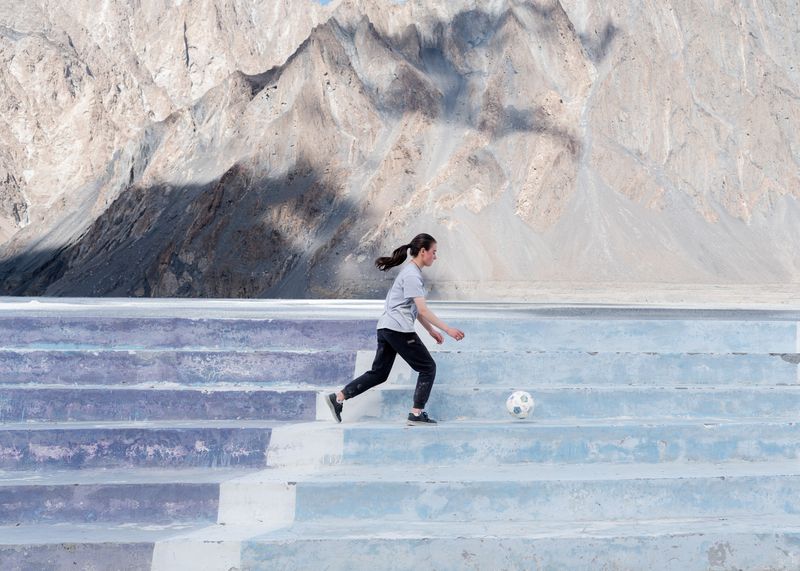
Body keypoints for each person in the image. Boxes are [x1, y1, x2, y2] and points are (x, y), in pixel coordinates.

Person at [325, 233, 465, 426]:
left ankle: (339, 397)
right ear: (423, 252)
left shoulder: (410, 273)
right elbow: (423, 309)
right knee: (428, 367)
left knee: (379, 373)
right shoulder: (412, 275)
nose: (435, 256)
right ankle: (416, 413)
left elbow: (415, 310)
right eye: (434, 252)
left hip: (386, 328)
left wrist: (431, 331)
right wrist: (448, 329)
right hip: (398, 329)